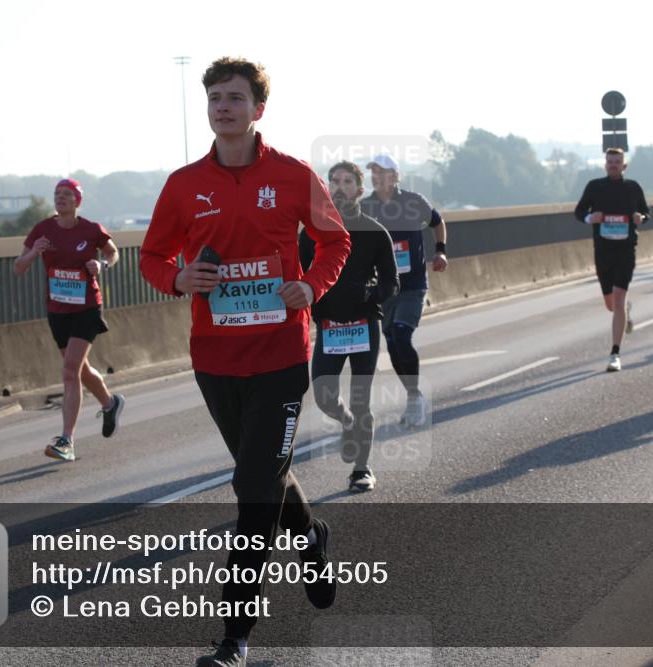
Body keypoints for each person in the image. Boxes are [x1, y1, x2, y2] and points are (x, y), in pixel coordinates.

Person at [140, 57, 350, 667]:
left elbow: (335, 239)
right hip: (215, 359)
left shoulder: (291, 174)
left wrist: (310, 286)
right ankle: (310, 541)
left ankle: (234, 639)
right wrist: (180, 277)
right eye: (214, 97)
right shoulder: (183, 185)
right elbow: (152, 257)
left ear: (259, 109)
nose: (222, 106)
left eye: (234, 97)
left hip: (282, 355)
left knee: (252, 489)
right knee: (266, 477)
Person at [299, 161, 399, 493]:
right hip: (329, 325)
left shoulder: (374, 232)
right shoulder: (311, 232)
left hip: (364, 325)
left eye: (346, 182)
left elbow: (391, 281)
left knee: (361, 400)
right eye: (334, 181)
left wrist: (373, 295)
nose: (339, 187)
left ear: (359, 190)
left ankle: (361, 469)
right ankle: (345, 422)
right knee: (325, 394)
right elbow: (298, 275)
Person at [14, 178, 125, 461]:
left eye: (66, 194)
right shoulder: (43, 229)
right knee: (81, 370)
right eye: (57, 194)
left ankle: (67, 441)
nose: (60, 198)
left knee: (69, 370)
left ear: (77, 201)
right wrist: (33, 252)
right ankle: (110, 403)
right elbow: (18, 268)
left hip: (87, 307)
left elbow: (113, 253)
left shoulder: (91, 229)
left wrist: (100, 264)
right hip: (58, 310)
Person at [360, 154, 447, 428]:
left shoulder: (413, 201)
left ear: (395, 176)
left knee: (401, 334)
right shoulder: (366, 207)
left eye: (382, 172)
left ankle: (415, 398)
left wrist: (441, 252)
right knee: (393, 344)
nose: (376, 177)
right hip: (384, 287)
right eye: (373, 172)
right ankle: (413, 395)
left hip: (412, 285)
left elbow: (437, 222)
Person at [574, 148, 650, 372]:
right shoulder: (595, 187)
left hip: (626, 250)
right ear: (605, 165)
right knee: (611, 305)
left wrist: (640, 218)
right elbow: (579, 211)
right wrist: (590, 217)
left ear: (624, 166)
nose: (613, 165)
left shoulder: (633, 188)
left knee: (617, 300)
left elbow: (646, 212)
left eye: (618, 162)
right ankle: (624, 310)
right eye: (610, 162)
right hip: (603, 251)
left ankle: (614, 354)